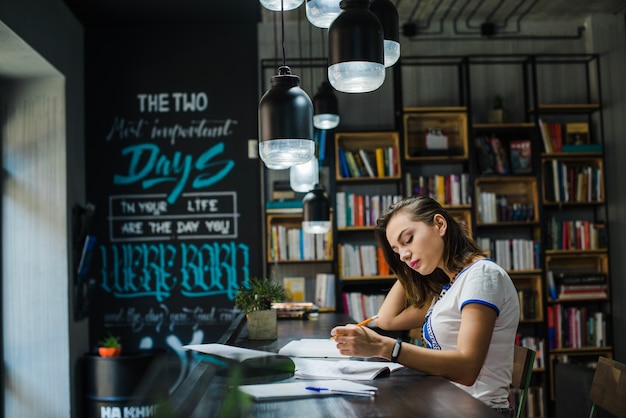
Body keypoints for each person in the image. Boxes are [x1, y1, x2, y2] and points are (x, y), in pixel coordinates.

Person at [331, 196, 520, 417]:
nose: (403, 254)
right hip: (447, 404)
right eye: (396, 250)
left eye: (408, 239)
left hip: (477, 410)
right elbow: (386, 320)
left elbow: (467, 369)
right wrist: (410, 264)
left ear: (439, 224)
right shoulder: (450, 286)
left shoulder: (482, 276)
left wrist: (387, 347)